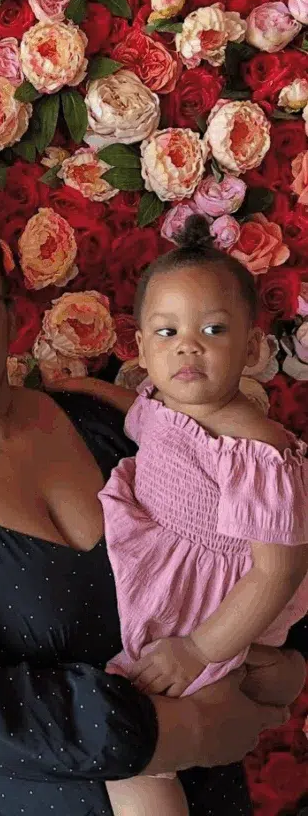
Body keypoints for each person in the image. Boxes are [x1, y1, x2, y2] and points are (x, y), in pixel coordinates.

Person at [0, 211, 308, 816]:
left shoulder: (99, 423)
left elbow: (246, 550)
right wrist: (176, 731)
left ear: (10, 312)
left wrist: (288, 663)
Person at [43, 215, 308, 816]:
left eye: (213, 329)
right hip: (175, 592)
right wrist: (79, 387)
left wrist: (199, 648)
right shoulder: (164, 404)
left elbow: (277, 572)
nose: (187, 345)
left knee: (137, 747)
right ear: (140, 349)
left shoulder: (256, 450)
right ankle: (254, 671)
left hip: (212, 610)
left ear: (252, 346)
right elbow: (137, 416)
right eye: (166, 333)